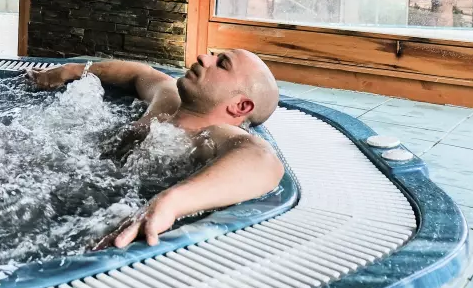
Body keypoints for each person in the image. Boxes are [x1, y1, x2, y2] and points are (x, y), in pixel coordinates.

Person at [28, 49, 284, 250]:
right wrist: (70, 70)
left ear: (241, 106)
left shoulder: (213, 136)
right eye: (213, 55)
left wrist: (172, 202)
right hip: (64, 181)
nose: (204, 58)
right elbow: (139, 73)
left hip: (100, 210)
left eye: (222, 64)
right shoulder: (168, 100)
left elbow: (263, 160)